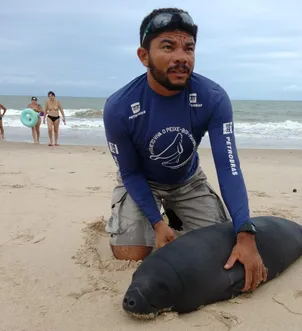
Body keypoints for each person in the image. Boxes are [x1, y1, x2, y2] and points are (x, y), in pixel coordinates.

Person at [103, 7, 267, 292]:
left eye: (188, 48)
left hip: (188, 182)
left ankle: (177, 213)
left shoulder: (212, 98)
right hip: (143, 182)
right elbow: (128, 171)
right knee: (131, 256)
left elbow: (228, 166)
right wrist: (155, 222)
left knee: (219, 249)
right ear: (144, 56)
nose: (181, 56)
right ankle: (149, 217)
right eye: (168, 46)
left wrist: (245, 231)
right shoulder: (119, 108)